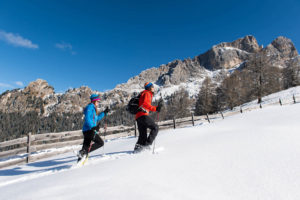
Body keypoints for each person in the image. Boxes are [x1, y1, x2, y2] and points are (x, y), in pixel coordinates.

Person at [77, 94, 110, 162]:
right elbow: (87, 118)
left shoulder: (93, 109)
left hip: (88, 130)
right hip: (89, 130)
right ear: (94, 101)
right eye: (97, 101)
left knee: (86, 145)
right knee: (100, 143)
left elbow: (96, 118)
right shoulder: (89, 108)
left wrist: (104, 112)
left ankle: (80, 160)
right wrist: (93, 127)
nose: (98, 103)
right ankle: (84, 152)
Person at [134, 82, 163, 152]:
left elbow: (144, 104)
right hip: (143, 115)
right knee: (155, 127)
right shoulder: (147, 93)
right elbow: (145, 104)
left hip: (138, 117)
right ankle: (147, 145)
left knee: (142, 135)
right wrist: (156, 108)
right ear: (149, 88)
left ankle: (137, 149)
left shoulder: (143, 93)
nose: (153, 88)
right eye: (152, 86)